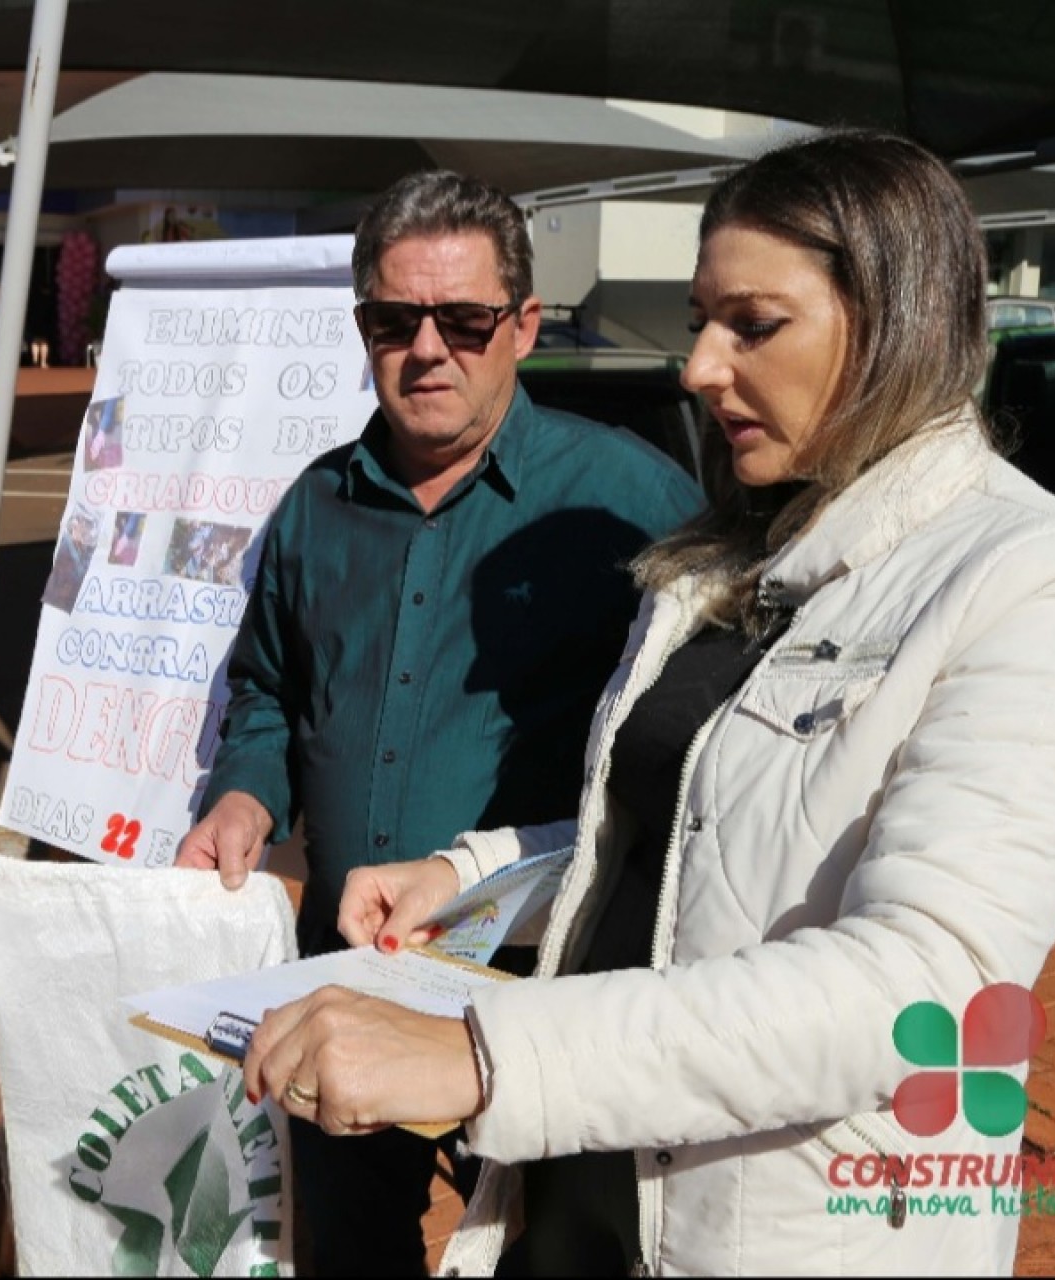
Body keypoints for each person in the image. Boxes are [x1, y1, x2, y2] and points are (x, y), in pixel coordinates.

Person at [241, 131, 1055, 1276]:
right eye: (701, 319)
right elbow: (688, 829)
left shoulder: (1039, 581)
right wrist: (474, 879)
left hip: (772, 1223)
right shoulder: (729, 555)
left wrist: (481, 1057)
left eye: (753, 326)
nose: (699, 367)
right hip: (585, 1190)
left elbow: (921, 986)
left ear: (896, 321)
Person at [175, 169, 704, 1275]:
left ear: (521, 325)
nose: (428, 349)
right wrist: (242, 791)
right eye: (393, 319)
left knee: (548, 1253)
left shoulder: (632, 503)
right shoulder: (315, 506)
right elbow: (267, 691)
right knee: (355, 1247)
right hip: (342, 978)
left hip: (540, 998)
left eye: (463, 320)